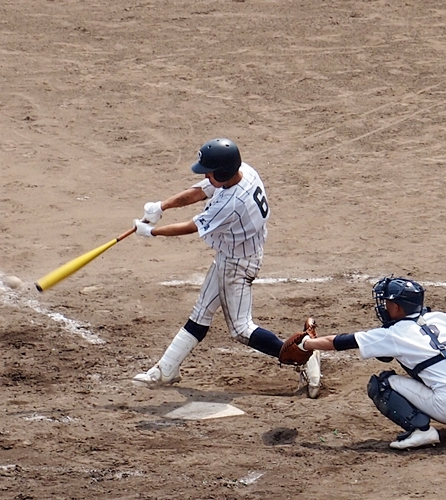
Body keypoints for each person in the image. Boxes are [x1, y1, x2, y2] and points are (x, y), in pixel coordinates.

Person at [130, 138, 322, 398]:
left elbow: (192, 226)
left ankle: (303, 352)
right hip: (235, 253)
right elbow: (200, 191)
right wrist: (162, 206)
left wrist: (152, 232)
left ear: (222, 173)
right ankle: (166, 369)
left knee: (241, 328)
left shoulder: (231, 203)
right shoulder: (244, 172)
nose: (205, 175)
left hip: (237, 264)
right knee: (201, 312)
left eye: (209, 172)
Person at [298, 276, 446, 450]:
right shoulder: (445, 317)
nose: (384, 306)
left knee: (381, 384)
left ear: (397, 308)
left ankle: (421, 431)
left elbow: (339, 342)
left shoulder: (394, 334)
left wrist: (306, 344)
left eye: (387, 302)